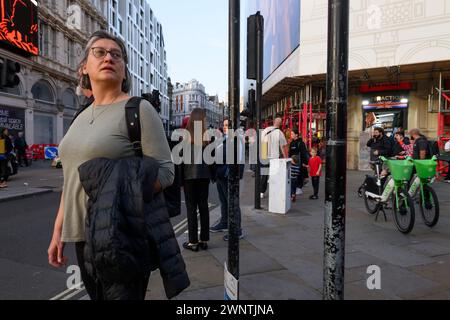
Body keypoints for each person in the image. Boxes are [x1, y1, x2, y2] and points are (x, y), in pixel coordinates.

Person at [48, 31, 188, 300]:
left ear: (124, 71)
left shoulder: (138, 110)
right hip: (81, 234)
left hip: (119, 232)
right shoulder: (80, 114)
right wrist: (58, 232)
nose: (108, 57)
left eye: (117, 54)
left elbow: (167, 172)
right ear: (85, 67)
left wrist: (124, 196)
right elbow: (71, 179)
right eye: (99, 52)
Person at [181, 108, 211, 251]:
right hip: (204, 176)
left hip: (189, 177)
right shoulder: (207, 139)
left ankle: (193, 242)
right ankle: (204, 240)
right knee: (203, 207)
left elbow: (179, 160)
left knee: (191, 209)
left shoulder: (185, 138)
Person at [209, 118, 245, 241]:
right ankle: (224, 223)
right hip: (220, 175)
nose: (225, 127)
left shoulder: (236, 138)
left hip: (228, 175)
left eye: (227, 125)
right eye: (224, 125)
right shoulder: (223, 138)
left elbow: (238, 158)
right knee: (223, 201)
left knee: (232, 202)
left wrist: (228, 172)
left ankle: (237, 230)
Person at [260, 117, 288, 198]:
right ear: (280, 123)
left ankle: (262, 192)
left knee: (264, 175)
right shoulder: (280, 132)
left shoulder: (265, 130)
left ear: (274, 122)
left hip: (265, 156)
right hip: (275, 157)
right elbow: (283, 146)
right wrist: (285, 157)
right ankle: (273, 192)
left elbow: (262, 143)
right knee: (274, 175)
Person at [288, 128, 309, 195]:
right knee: (293, 175)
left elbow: (304, 153)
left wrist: (304, 163)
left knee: (299, 175)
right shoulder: (291, 143)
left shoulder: (301, 143)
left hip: (299, 163)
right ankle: (296, 188)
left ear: (296, 135)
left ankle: (299, 188)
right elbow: (290, 153)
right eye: (291, 134)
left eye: (292, 134)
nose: (291, 135)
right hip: (292, 162)